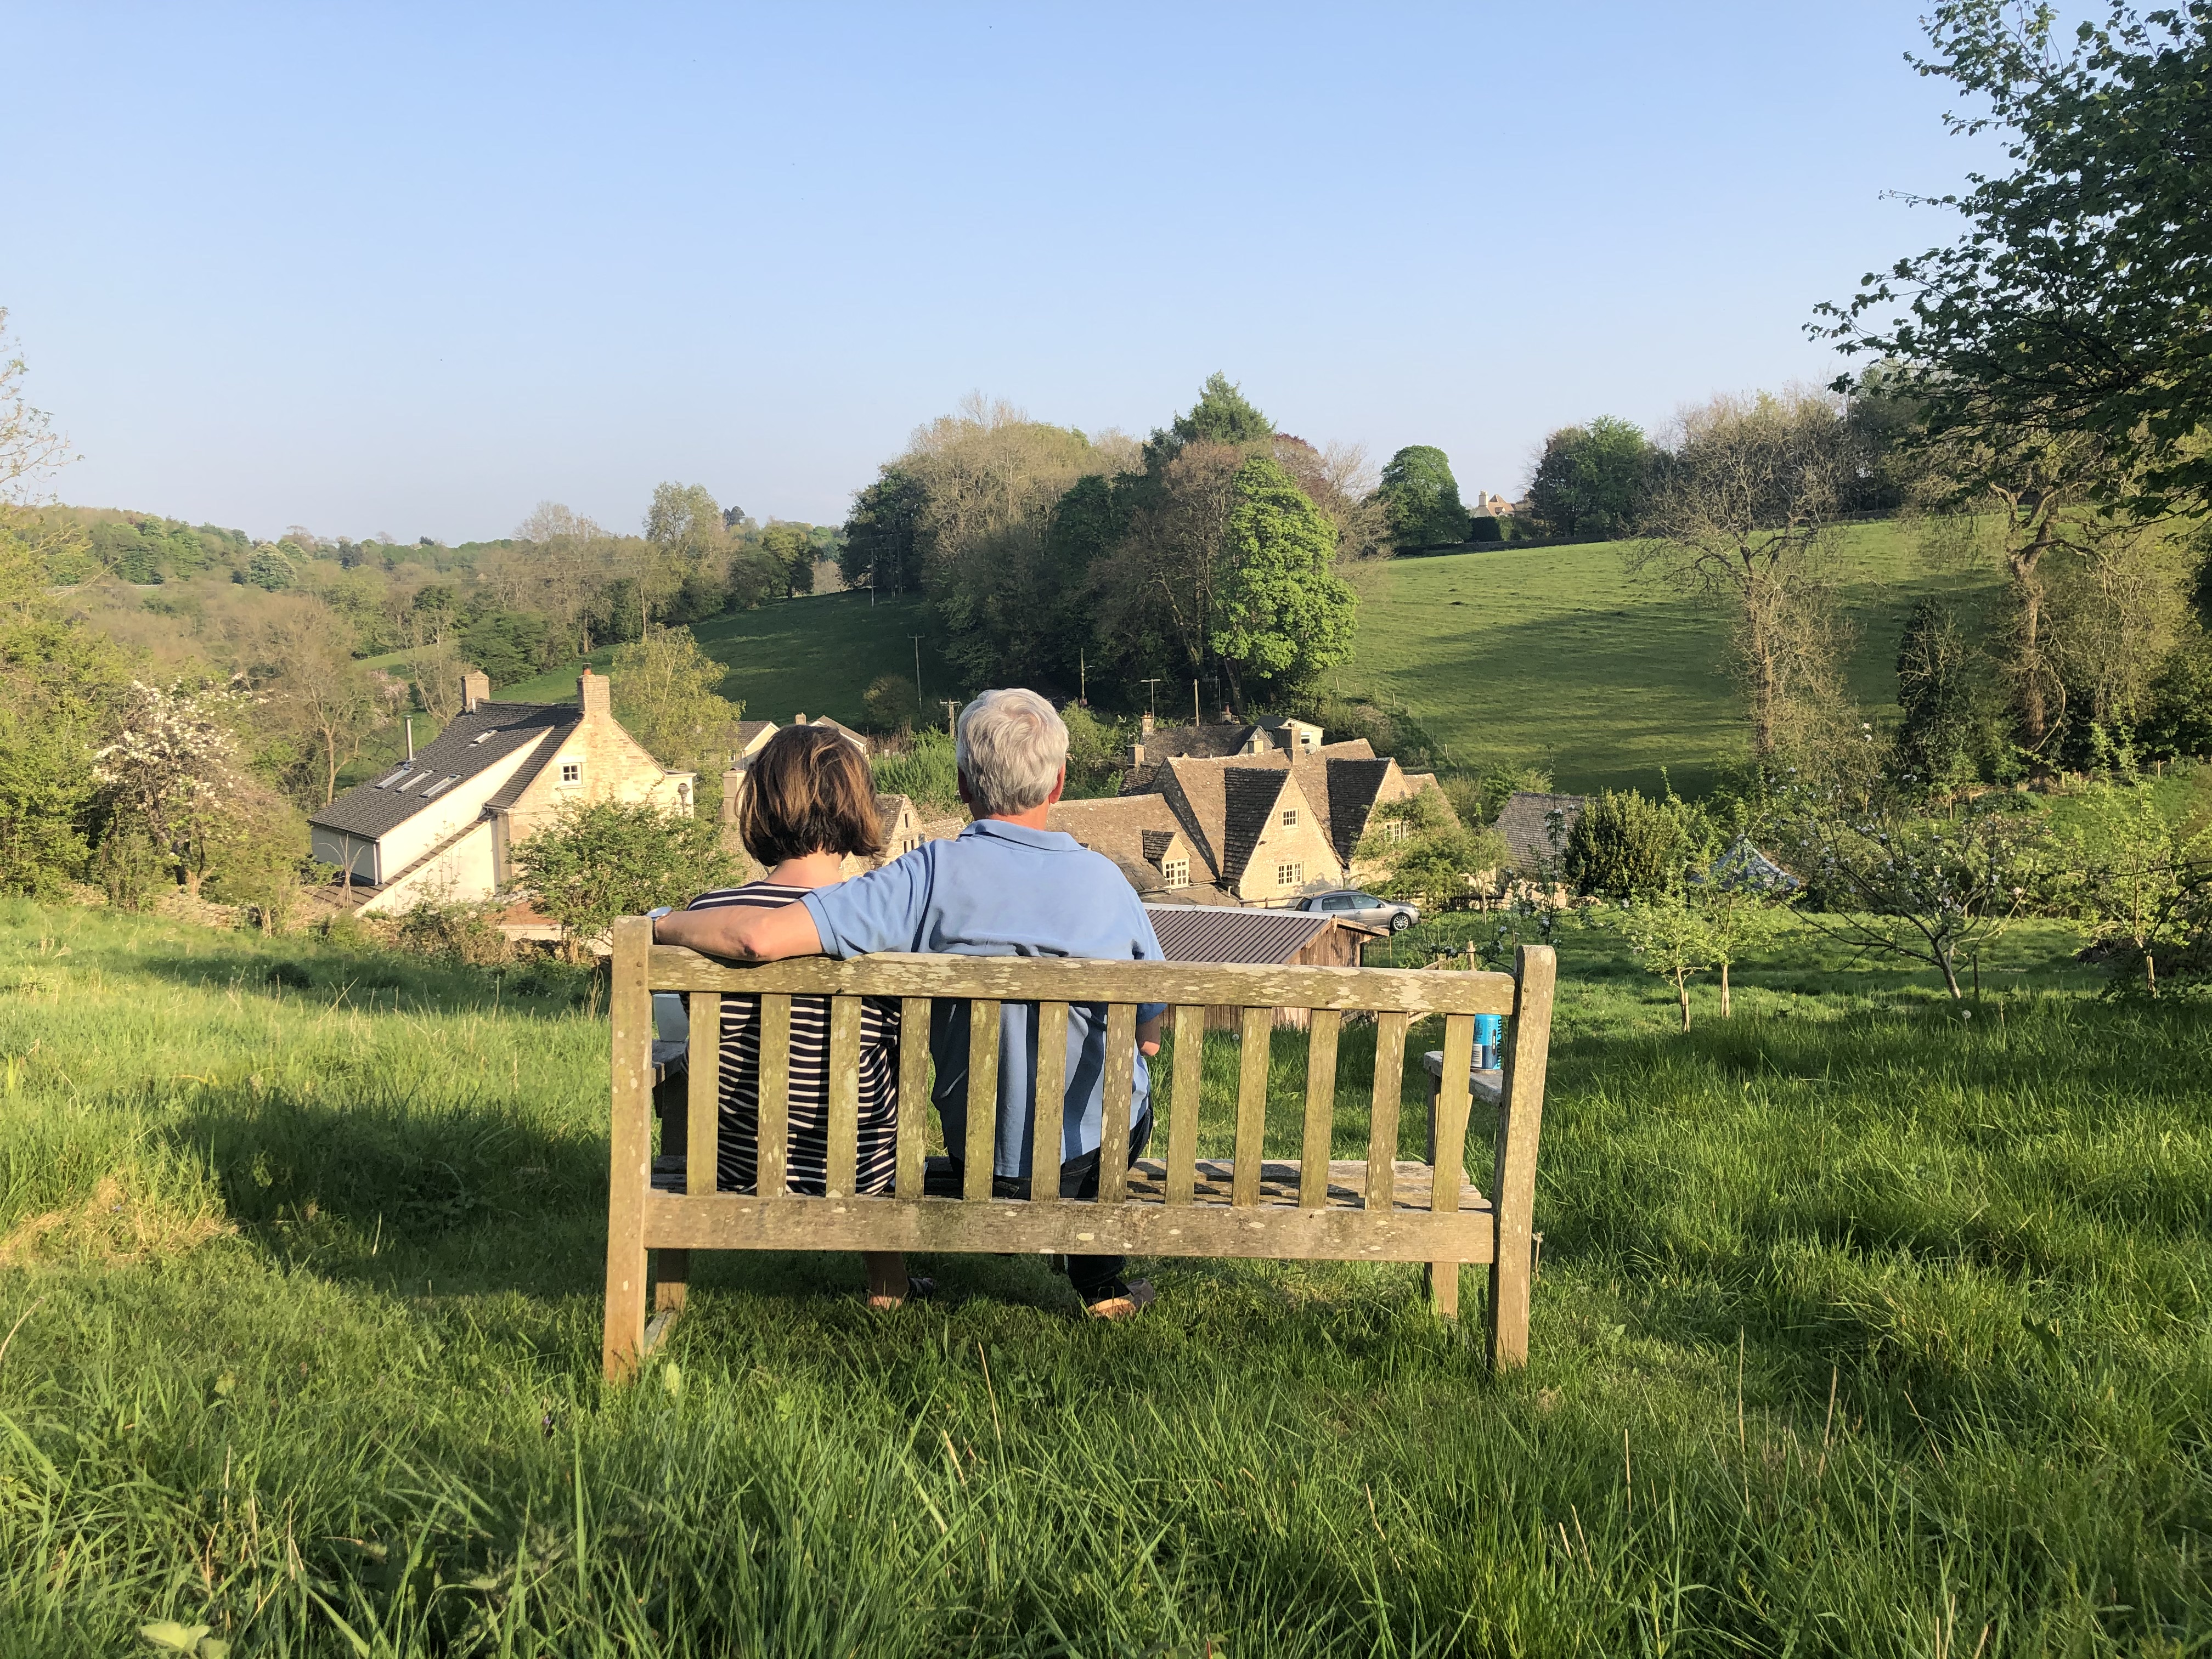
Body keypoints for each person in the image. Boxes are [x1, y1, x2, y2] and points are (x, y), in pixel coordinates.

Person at [656, 688, 1167, 1318]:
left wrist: (658, 925)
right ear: (1059, 782)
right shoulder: (1107, 883)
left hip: (984, 1159)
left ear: (961, 784)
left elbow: (760, 936)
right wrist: (1145, 1041)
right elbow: (1151, 1020)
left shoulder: (923, 877)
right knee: (1126, 1092)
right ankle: (1104, 1283)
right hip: (1092, 1158)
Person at [677, 723, 924, 1311]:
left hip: (732, 1161)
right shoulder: (884, 925)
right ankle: (887, 1289)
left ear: (759, 807)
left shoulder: (707, 918)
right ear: (859, 807)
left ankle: (668, 1295)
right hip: (860, 1167)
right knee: (874, 1087)